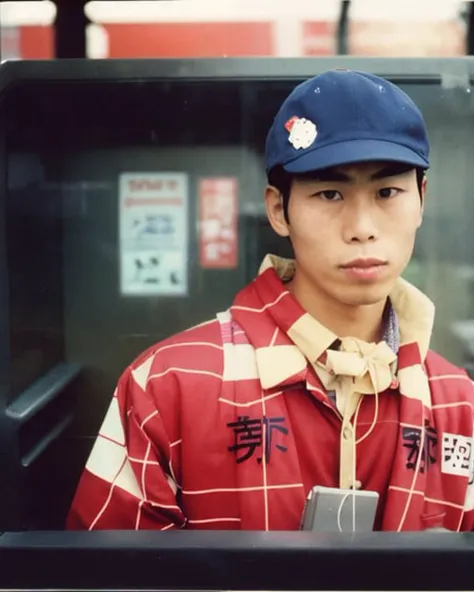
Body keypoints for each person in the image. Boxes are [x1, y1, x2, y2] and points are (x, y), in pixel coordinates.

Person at [66, 69, 474, 532]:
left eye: (387, 192)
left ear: (420, 199)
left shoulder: (457, 401)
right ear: (279, 209)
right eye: (329, 193)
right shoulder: (167, 386)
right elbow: (107, 577)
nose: (362, 226)